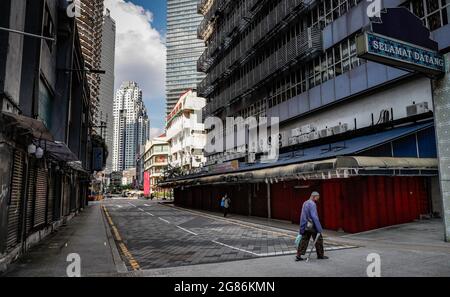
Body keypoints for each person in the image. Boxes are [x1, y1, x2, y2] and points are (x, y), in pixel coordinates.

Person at [296, 191, 328, 261]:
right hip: (313, 226)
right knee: (318, 240)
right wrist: (319, 228)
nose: (318, 199)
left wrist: (302, 227)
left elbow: (302, 216)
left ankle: (298, 255)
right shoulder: (312, 204)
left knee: (304, 240)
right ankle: (320, 255)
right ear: (313, 196)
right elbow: (314, 217)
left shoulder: (305, 203)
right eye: (317, 197)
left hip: (306, 225)